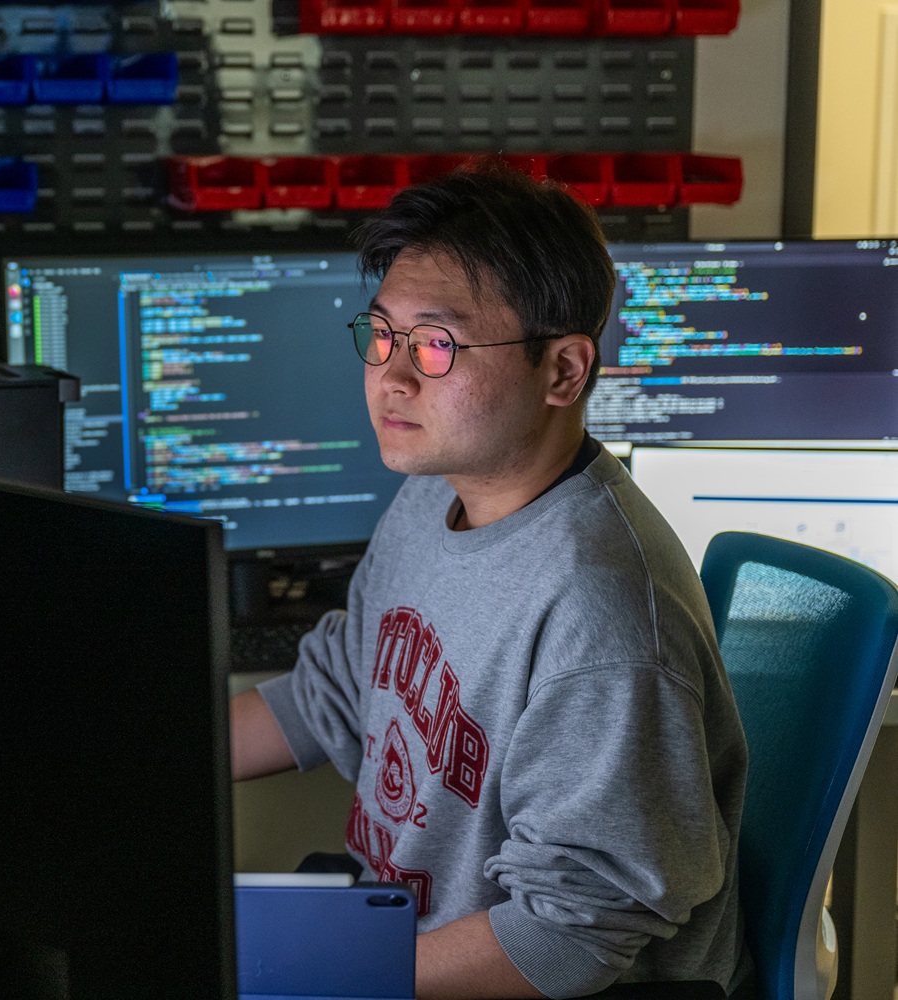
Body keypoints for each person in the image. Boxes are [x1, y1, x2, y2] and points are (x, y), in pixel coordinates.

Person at [230, 163, 751, 1000]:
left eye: (437, 344)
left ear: (564, 372)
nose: (391, 378)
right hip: (402, 927)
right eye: (382, 335)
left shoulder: (601, 610)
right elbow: (334, 690)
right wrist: (126, 758)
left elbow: (569, 938)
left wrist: (318, 971)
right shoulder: (434, 490)